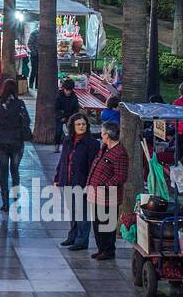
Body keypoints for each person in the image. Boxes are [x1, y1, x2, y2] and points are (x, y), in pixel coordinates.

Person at [85, 120, 128, 260]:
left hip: (109, 196)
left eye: (102, 133)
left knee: (106, 225)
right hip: (96, 194)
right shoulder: (104, 148)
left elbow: (120, 176)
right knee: (97, 223)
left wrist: (105, 187)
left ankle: (108, 250)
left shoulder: (120, 153)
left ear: (108, 135)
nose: (101, 135)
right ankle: (101, 248)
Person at [55, 112, 97, 250]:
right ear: (72, 126)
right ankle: (72, 236)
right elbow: (63, 160)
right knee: (72, 211)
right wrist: (57, 177)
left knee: (82, 213)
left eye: (84, 124)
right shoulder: (68, 140)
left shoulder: (92, 143)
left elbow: (93, 166)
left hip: (82, 182)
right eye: (78, 124)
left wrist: (90, 185)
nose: (81, 126)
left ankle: (81, 241)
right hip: (67, 181)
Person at [0, 78, 32, 214]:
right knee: (15, 171)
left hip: (2, 141)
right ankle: (15, 198)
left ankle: (4, 203)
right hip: (16, 141)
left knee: (3, 172)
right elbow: (27, 120)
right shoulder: (20, 104)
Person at [55, 78, 81, 143]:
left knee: (72, 131)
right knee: (58, 131)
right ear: (64, 89)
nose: (68, 92)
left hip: (70, 116)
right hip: (61, 116)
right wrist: (61, 116)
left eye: (70, 90)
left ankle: (72, 142)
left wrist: (72, 118)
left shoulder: (74, 96)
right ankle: (57, 143)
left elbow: (76, 108)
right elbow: (56, 108)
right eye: (67, 90)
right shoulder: (59, 96)